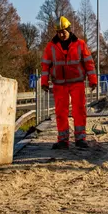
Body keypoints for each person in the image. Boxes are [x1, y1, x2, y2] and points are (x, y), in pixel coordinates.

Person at [41, 16, 97, 149]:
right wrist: (44, 82)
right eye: (58, 32)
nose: (61, 34)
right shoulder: (51, 47)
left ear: (69, 30)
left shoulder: (80, 44)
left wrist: (93, 80)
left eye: (63, 31)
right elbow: (45, 66)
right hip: (59, 84)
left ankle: (80, 138)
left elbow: (89, 64)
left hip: (77, 82)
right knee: (61, 112)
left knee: (79, 110)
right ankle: (63, 140)